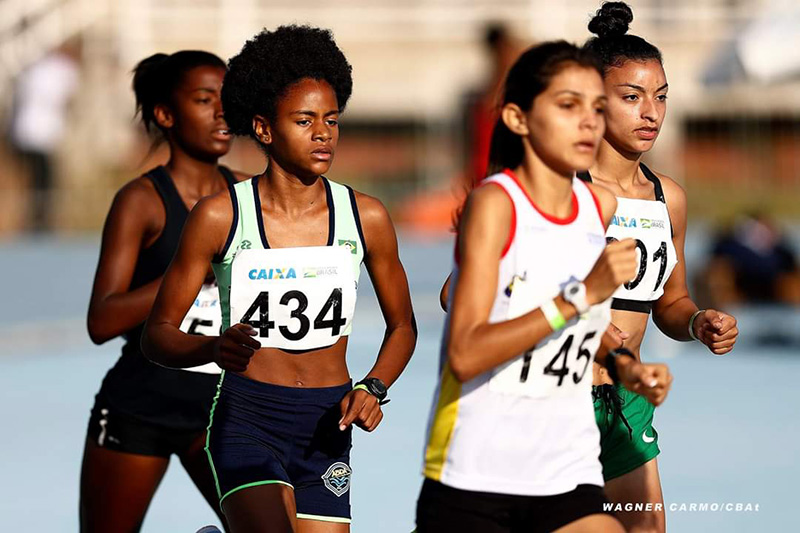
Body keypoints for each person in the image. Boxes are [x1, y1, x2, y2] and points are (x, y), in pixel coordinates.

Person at [142, 25, 417, 532]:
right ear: (265, 129)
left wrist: (375, 387)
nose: (323, 134)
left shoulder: (367, 217)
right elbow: (156, 335)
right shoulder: (219, 217)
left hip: (327, 423)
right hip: (249, 418)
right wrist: (212, 349)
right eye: (305, 120)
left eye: (332, 120)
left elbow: (403, 326)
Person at [416, 40, 672, 533]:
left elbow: (580, 324)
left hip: (565, 462)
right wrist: (582, 294)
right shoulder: (495, 204)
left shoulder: (600, 208)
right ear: (517, 118)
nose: (589, 123)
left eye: (597, 108)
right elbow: (466, 355)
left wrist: (623, 365)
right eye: (568, 106)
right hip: (482, 467)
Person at [579, 3, 740, 532]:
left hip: (627, 400)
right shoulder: (555, 190)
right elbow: (460, 291)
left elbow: (670, 300)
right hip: (552, 398)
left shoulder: (666, 198)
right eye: (632, 97)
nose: (651, 112)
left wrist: (698, 322)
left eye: (661, 96)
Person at [82, 50, 246, 532]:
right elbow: (101, 320)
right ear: (165, 115)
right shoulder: (140, 201)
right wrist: (188, 274)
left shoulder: (248, 197)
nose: (222, 111)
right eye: (203, 99)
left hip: (222, 409)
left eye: (226, 98)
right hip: (141, 409)